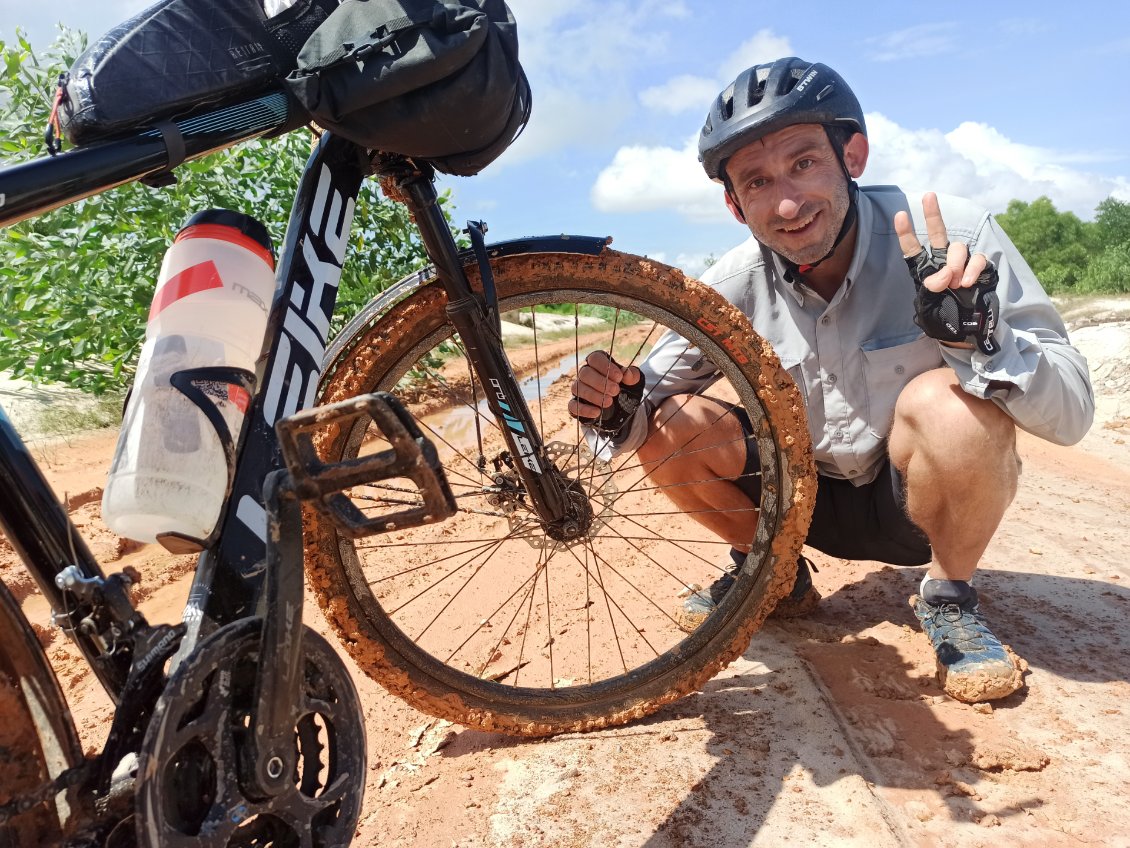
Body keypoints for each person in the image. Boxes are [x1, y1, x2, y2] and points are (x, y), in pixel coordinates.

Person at [568, 57, 1094, 703]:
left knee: (949, 405)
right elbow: (640, 410)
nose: (787, 202)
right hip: (797, 502)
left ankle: (950, 595)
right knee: (671, 420)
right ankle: (773, 574)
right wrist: (613, 407)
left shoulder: (950, 239)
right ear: (735, 206)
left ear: (854, 155)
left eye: (804, 163)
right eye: (757, 182)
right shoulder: (730, 285)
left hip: (909, 504)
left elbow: (1071, 417)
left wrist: (983, 339)